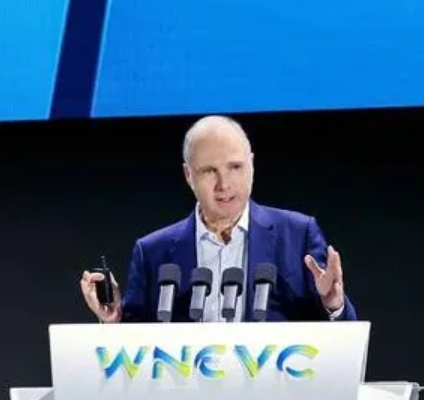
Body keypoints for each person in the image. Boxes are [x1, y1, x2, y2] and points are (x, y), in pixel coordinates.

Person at [79, 115, 356, 323]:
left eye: (235, 167)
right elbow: (135, 348)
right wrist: (115, 320)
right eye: (209, 171)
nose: (224, 184)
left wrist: (333, 304)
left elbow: (339, 339)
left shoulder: (298, 234)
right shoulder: (152, 252)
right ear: (189, 175)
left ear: (252, 165)